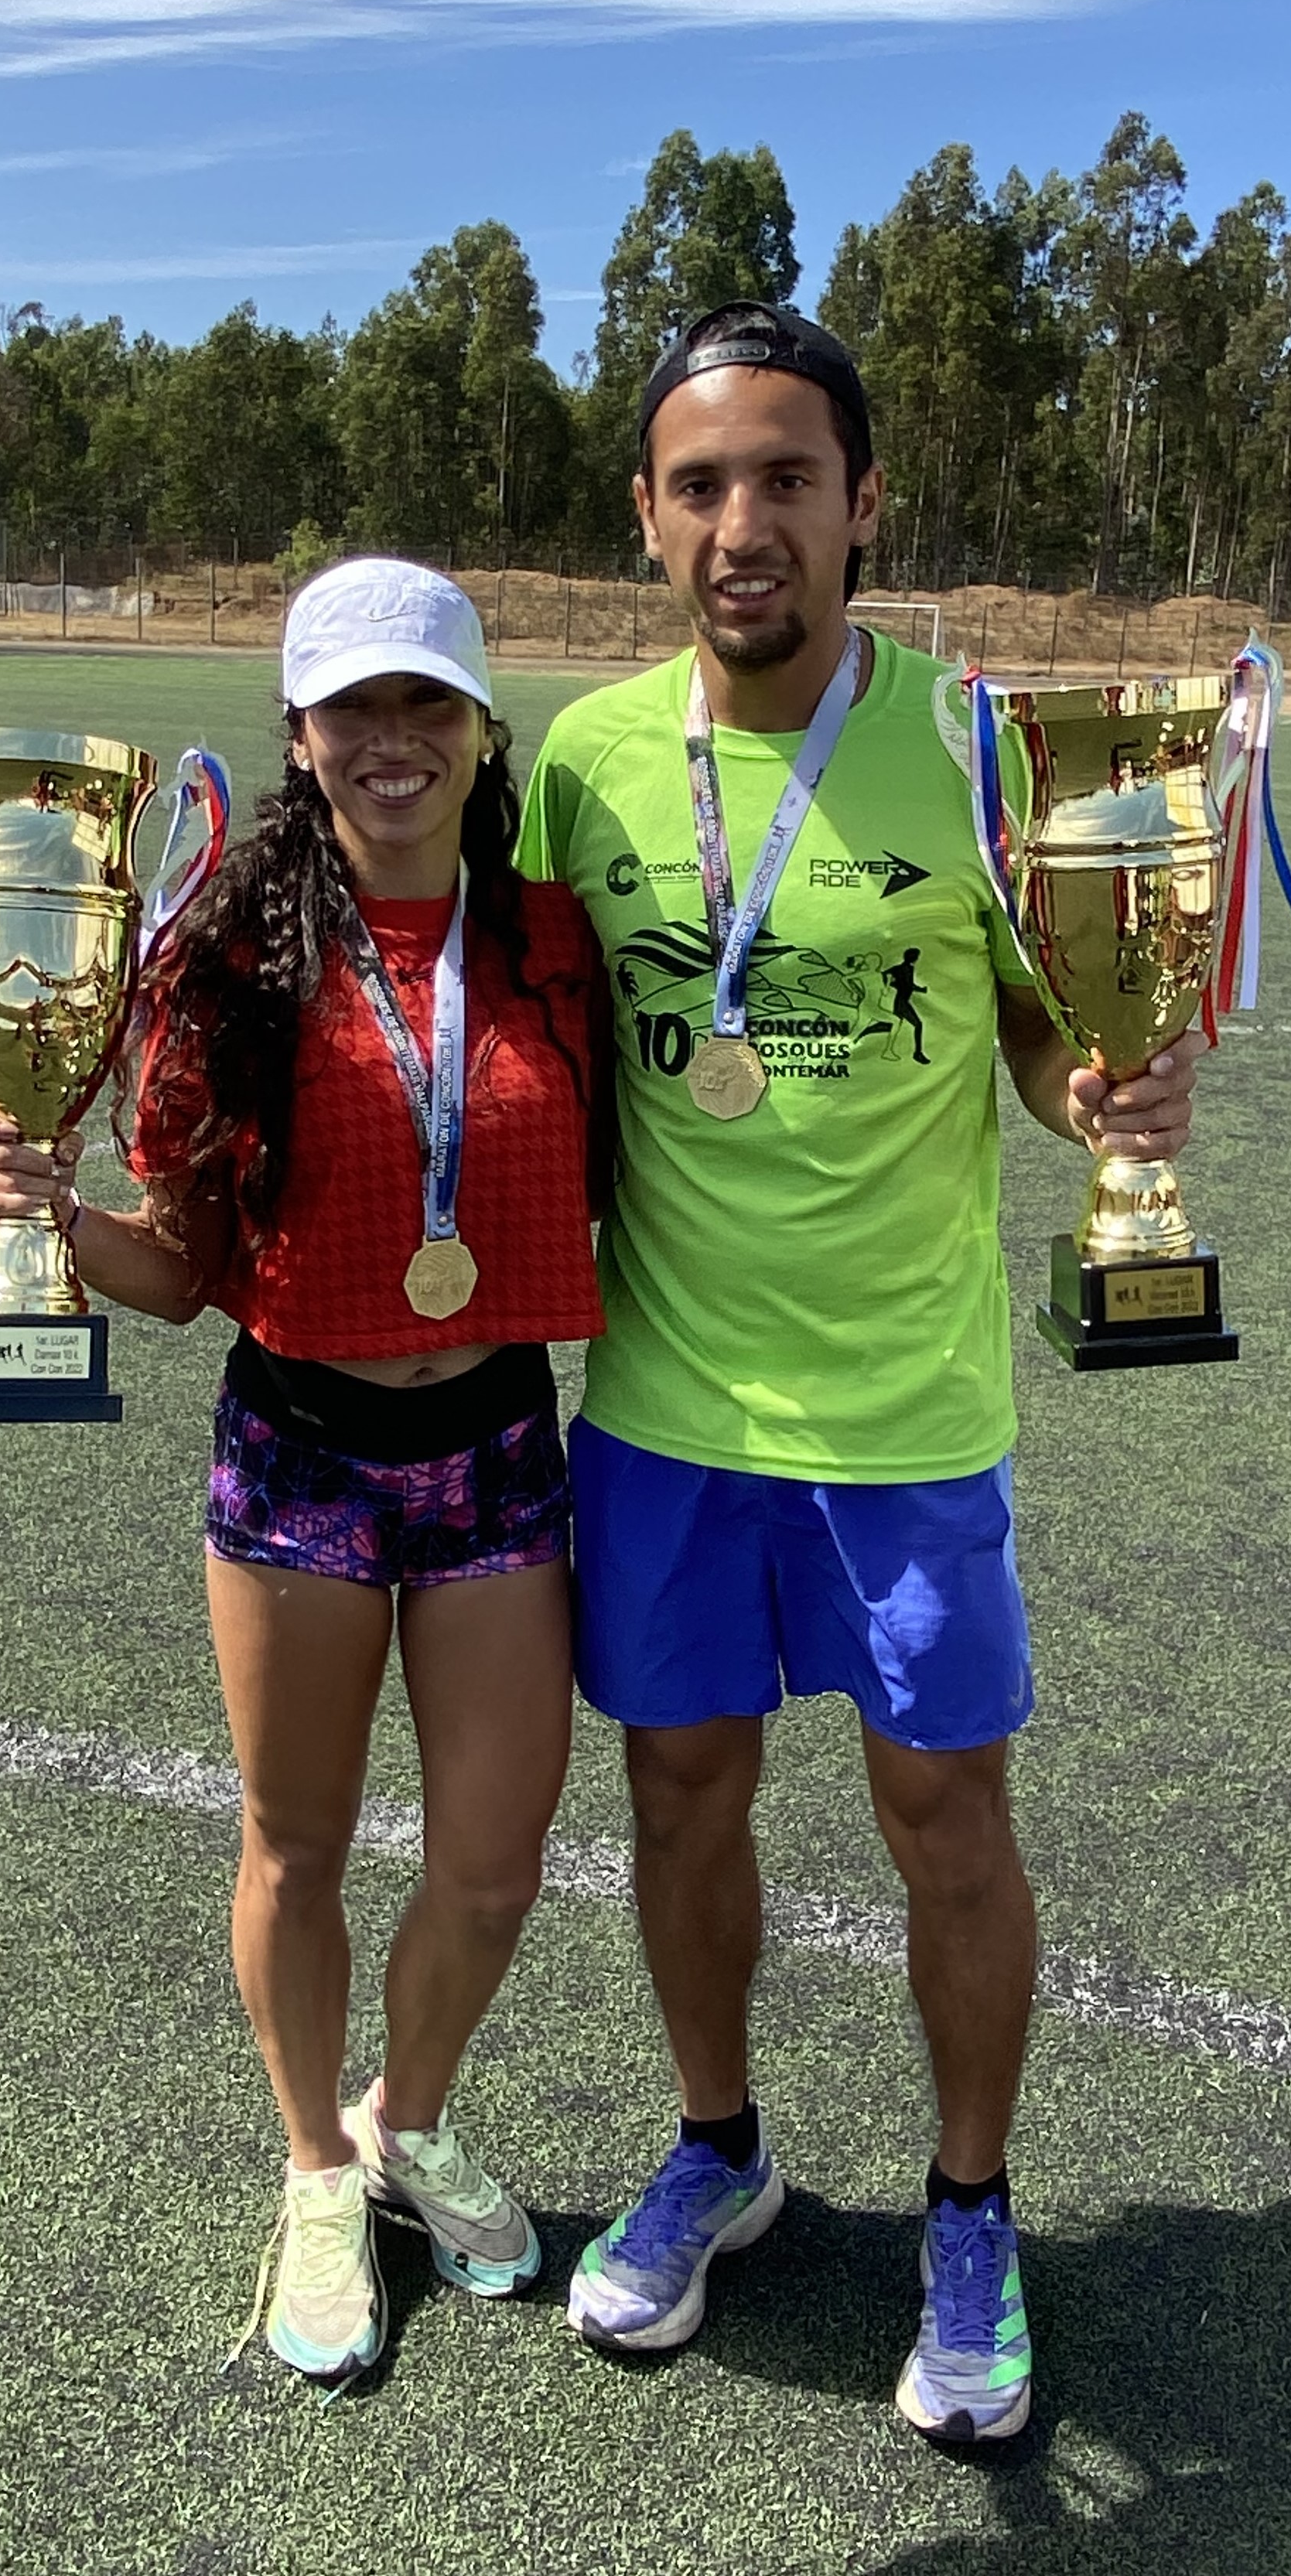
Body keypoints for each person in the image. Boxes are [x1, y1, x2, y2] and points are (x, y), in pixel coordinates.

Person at [515, 303, 1204, 2443]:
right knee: (678, 1791)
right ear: (648, 518)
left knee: (946, 1820)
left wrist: (1100, 1090)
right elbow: (535, 1050)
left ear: (864, 502)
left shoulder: (986, 755)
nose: (748, 524)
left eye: (788, 478)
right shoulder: (580, 765)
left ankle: (972, 2211)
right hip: (661, 1408)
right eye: (704, 484)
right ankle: (720, 2149)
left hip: (906, 1413)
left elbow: (1031, 1021)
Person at [0, 558, 606, 2387]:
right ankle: (317, 2161)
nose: (391, 741)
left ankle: (407, 2111)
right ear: (300, 736)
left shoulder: (554, 939)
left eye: (427, 706)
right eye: (353, 709)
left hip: (494, 1449)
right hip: (300, 1453)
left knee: (491, 1864)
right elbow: (180, 1269)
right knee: (297, 1841)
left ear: (483, 733)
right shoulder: (224, 955)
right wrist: (46, 1223)